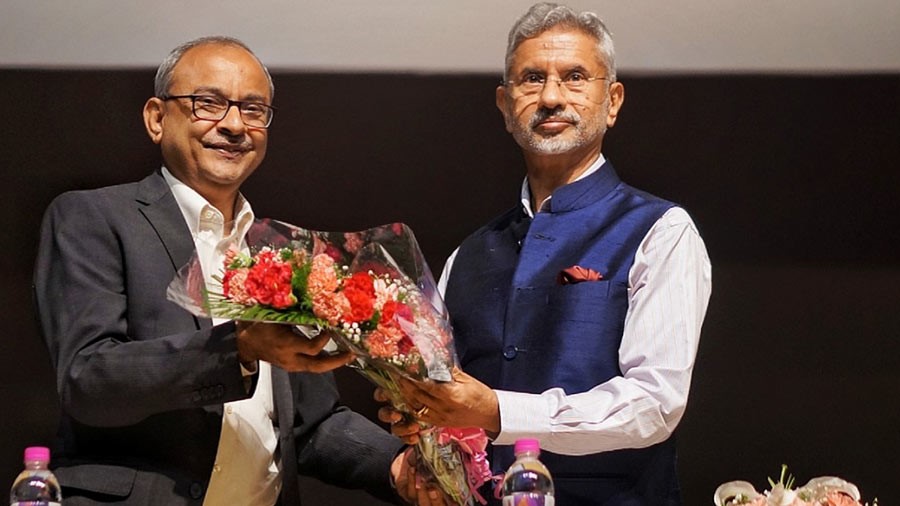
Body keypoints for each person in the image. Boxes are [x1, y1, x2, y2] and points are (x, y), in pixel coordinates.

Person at [33, 36, 444, 506]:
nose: (233, 125)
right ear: (156, 118)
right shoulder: (94, 217)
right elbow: (88, 378)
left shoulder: (279, 253)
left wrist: (396, 465)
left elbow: (310, 425)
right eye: (208, 104)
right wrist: (238, 348)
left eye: (253, 110)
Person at [379, 3, 712, 505]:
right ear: (504, 104)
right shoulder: (468, 254)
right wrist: (419, 421)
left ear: (613, 101)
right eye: (532, 79)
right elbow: (445, 393)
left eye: (575, 77)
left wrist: (499, 412)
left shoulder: (660, 230)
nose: (552, 97)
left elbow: (655, 404)